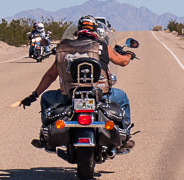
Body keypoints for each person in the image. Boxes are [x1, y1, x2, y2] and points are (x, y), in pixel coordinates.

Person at [19, 15, 135, 149]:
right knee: (122, 97)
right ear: (95, 29)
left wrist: (34, 95)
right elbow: (123, 61)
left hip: (69, 95)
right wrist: (129, 54)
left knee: (46, 98)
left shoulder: (64, 48)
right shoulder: (102, 47)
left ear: (78, 29)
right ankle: (125, 137)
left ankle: (45, 137)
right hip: (100, 95)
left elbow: (51, 75)